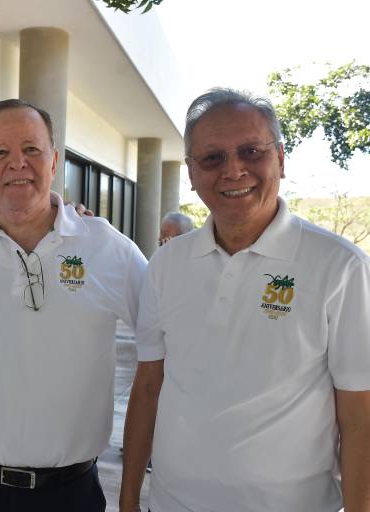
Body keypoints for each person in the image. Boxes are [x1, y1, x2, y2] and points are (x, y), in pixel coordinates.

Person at [119, 88, 370, 512]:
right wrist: (127, 500)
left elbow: (359, 416)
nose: (233, 170)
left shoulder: (340, 266)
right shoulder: (167, 264)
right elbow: (148, 387)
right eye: (212, 158)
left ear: (281, 159)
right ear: (192, 173)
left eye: (252, 151)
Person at [0, 99, 147, 512]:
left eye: (31, 150)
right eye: (0, 153)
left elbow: (164, 350)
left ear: (54, 161)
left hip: (70, 495)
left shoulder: (108, 249)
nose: (18, 164)